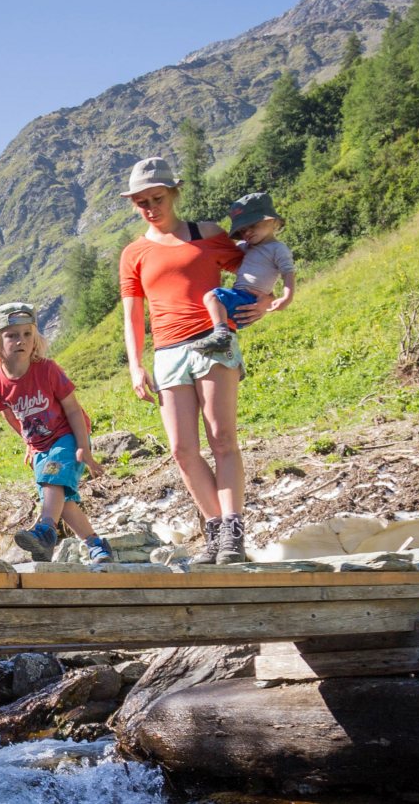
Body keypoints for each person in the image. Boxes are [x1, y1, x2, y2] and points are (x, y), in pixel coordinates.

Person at [116, 157, 266, 566]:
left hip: (213, 341)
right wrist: (135, 364)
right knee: (182, 449)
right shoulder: (133, 254)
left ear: (174, 193)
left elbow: (255, 269)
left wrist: (268, 300)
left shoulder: (208, 234)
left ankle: (233, 535)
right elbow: (132, 313)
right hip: (167, 353)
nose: (150, 207)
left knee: (222, 439)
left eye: (157, 197)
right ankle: (216, 533)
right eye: (141, 202)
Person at [0, 302, 113, 564]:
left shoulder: (47, 369)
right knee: (60, 501)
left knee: (52, 481)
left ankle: (44, 530)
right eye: (11, 335)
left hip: (67, 436)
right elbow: (10, 416)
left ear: (35, 339)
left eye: (27, 334)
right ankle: (96, 544)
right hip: (40, 446)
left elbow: (74, 410)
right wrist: (28, 444)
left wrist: (83, 447)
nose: (20, 341)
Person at [194, 191, 297, 355]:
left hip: (248, 300)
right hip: (242, 298)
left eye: (252, 226)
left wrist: (286, 297)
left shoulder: (278, 249)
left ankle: (221, 335)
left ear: (271, 221)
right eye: (242, 230)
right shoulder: (245, 247)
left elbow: (288, 273)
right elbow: (224, 255)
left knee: (211, 297)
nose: (247, 233)